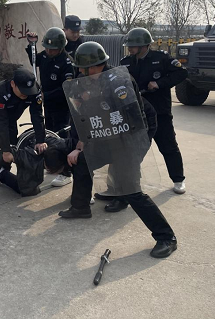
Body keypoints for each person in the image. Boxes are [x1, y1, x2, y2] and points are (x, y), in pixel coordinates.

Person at [57, 41, 178, 258]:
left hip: (133, 131)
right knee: (83, 161)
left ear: (96, 66)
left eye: (83, 69)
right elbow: (83, 115)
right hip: (108, 132)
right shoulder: (88, 81)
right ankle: (80, 207)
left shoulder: (119, 82)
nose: (80, 73)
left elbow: (131, 119)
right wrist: (82, 142)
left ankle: (166, 237)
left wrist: (119, 152)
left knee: (130, 187)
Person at [121, 27, 188, 194]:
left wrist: (159, 84)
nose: (130, 49)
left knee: (168, 146)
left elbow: (181, 73)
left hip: (160, 112)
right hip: (137, 114)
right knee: (133, 150)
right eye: (129, 46)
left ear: (144, 45)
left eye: (133, 46)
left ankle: (178, 179)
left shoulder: (161, 58)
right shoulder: (126, 63)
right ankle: (129, 183)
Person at [0, 68, 47, 213]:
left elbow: (37, 115)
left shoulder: (34, 90)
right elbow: (0, 123)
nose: (25, 95)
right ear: (13, 84)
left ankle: (2, 174)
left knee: (13, 146)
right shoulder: (0, 92)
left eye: (28, 91)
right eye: (22, 91)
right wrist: (5, 150)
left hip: (10, 118)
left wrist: (40, 140)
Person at [25, 27, 74, 187]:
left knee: (62, 138)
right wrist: (31, 45)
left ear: (61, 47)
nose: (48, 51)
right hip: (48, 105)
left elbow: (66, 88)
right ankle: (54, 164)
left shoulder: (67, 62)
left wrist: (46, 94)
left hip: (62, 106)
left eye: (52, 49)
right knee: (50, 135)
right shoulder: (45, 56)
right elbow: (34, 61)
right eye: (46, 48)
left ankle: (66, 172)